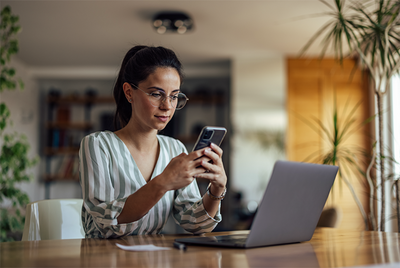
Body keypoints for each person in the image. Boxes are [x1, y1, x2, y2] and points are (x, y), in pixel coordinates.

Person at [79, 45, 227, 238]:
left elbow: (195, 224)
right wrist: (163, 183)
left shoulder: (175, 149)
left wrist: (217, 189)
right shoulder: (98, 145)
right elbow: (105, 223)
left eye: (174, 96)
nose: (167, 106)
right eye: (156, 94)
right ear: (129, 92)